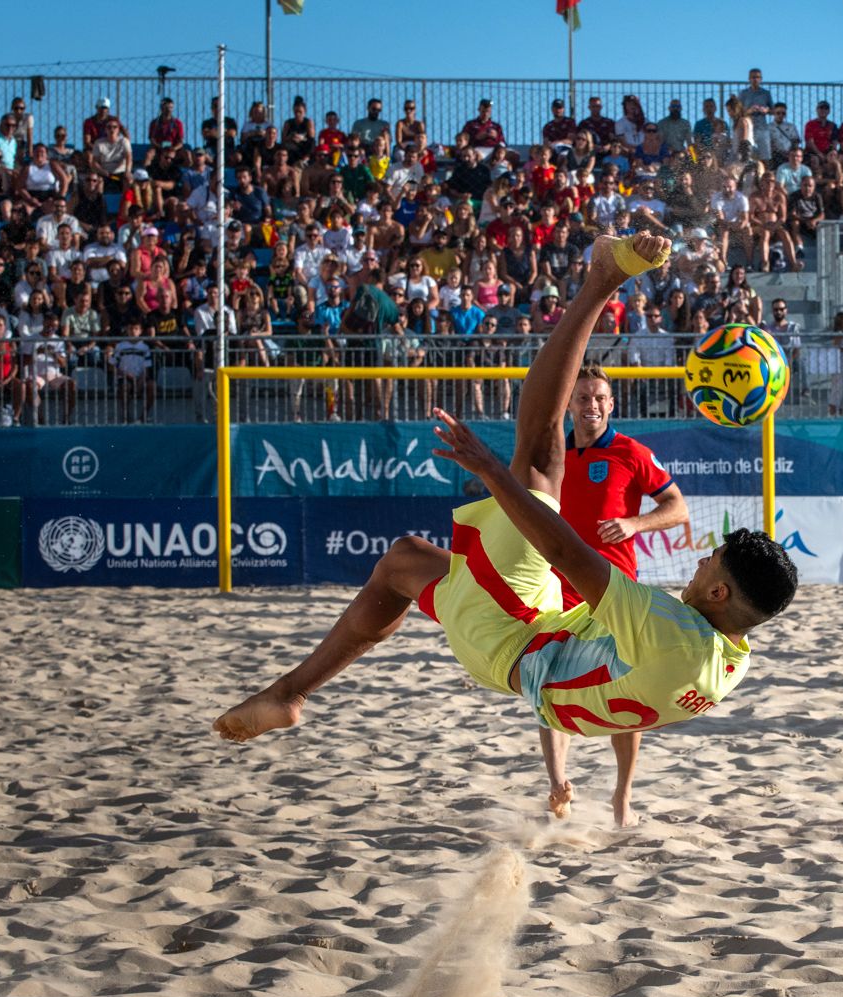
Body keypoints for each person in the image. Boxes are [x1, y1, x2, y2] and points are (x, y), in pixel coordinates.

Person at [213, 236, 800, 817]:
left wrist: (491, 470)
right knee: (402, 561)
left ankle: (603, 276)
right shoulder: (731, 661)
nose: (698, 563)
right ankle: (288, 695)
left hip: (513, 630)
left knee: (541, 457)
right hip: (520, 647)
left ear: (720, 593)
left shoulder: (665, 623)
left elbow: (566, 552)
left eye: (708, 565)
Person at [539, 364, 691, 826]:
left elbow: (678, 508)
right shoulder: (553, 454)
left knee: (627, 690)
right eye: (583, 397)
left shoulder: (630, 452)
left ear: (611, 404)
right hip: (557, 588)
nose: (592, 405)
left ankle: (621, 798)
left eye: (599, 397)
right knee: (548, 684)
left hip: (613, 590)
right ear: (569, 404)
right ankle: (558, 784)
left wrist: (634, 523)